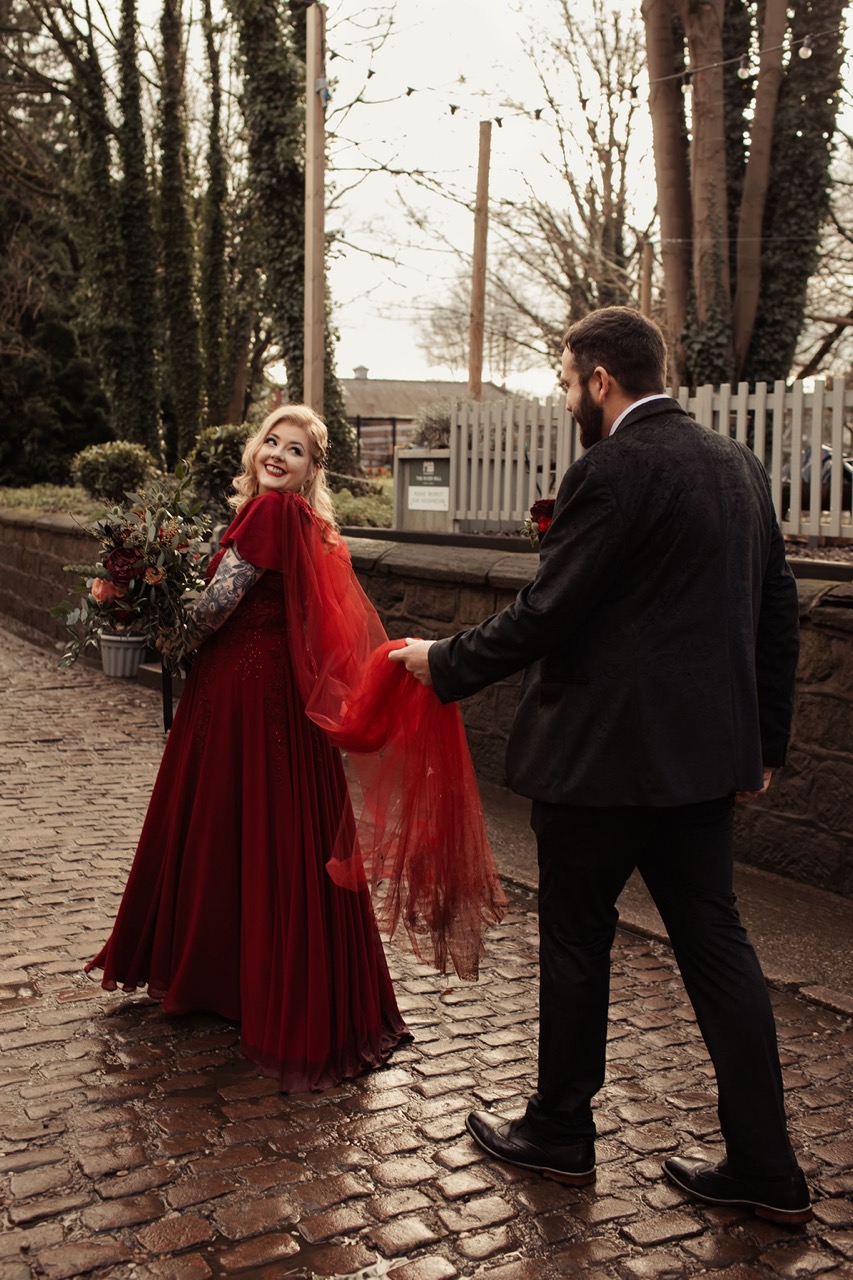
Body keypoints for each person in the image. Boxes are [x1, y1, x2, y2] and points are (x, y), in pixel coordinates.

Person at [390, 307, 811, 1225]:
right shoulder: (736, 466)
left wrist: (442, 663)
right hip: (705, 765)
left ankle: (558, 1133)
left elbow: (547, 611)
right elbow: (779, 609)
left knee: (578, 938)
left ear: (600, 380)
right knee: (717, 947)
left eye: (565, 378)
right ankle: (766, 1167)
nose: (564, 393)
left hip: (599, 767)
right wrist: (763, 744)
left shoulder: (612, 469)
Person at [87, 405, 503, 1093]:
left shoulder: (271, 515)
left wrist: (152, 610)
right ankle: (255, 985)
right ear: (254, 451)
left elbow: (216, 606)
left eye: (298, 451)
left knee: (230, 823)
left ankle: (221, 978)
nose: (280, 455)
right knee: (275, 829)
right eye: (272, 442)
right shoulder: (306, 524)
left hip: (243, 696)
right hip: (271, 691)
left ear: (312, 472)